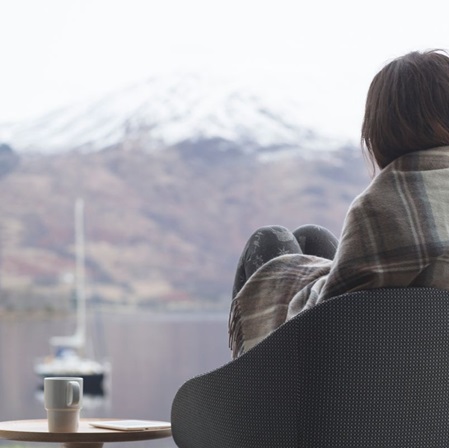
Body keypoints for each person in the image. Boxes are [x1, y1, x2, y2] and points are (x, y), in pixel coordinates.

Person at [229, 49, 449, 358]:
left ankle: (245, 389)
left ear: (382, 129)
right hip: (433, 388)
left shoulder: (383, 206)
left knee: (269, 242)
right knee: (313, 238)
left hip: (360, 386)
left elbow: (332, 315)